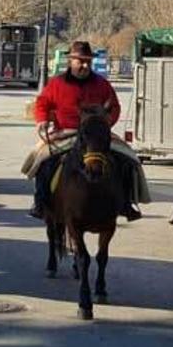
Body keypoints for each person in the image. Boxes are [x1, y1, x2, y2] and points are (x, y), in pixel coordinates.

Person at [29, 41, 141, 222]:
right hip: (65, 132)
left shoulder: (102, 84)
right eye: (80, 61)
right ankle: (41, 203)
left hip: (96, 135)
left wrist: (105, 125)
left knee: (128, 159)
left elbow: (114, 106)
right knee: (42, 161)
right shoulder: (56, 83)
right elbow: (42, 103)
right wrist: (41, 119)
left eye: (88, 61)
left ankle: (126, 203)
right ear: (70, 61)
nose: (85, 65)